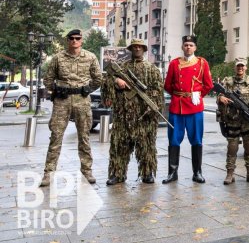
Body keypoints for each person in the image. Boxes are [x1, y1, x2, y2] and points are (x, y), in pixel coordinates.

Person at [40, 29, 102, 186]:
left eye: (77, 38)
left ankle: (87, 171)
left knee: (84, 137)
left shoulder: (90, 57)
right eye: (71, 38)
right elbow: (48, 79)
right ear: (67, 40)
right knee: (56, 136)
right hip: (63, 100)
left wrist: (87, 89)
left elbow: (98, 78)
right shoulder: (58, 58)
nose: (74, 41)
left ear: (81, 40)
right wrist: (55, 90)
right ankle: (48, 173)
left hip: (82, 99)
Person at [103, 38, 163, 185]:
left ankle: (147, 173)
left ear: (144, 49)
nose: (137, 49)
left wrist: (152, 104)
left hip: (144, 116)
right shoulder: (121, 68)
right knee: (120, 145)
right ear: (130, 49)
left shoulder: (151, 69)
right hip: (123, 114)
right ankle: (117, 174)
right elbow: (106, 82)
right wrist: (116, 82)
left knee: (146, 146)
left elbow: (158, 89)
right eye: (134, 47)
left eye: (140, 47)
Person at [162, 35, 213, 184]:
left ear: (195, 47)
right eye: (186, 45)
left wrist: (196, 95)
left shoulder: (202, 63)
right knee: (173, 140)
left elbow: (208, 85)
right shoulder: (174, 63)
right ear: (182, 47)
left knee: (196, 139)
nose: (188, 47)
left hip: (195, 107)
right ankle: (172, 173)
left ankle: (197, 172)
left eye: (191, 45)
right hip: (177, 107)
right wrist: (179, 95)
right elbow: (167, 85)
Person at [218, 57, 249, 185]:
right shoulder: (228, 81)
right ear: (235, 67)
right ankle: (230, 174)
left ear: (246, 67)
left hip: (248, 121)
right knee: (232, 148)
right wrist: (221, 98)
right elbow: (219, 95)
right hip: (232, 120)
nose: (240, 68)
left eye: (242, 66)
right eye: (238, 66)